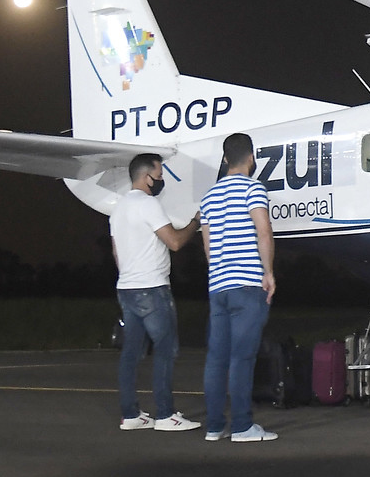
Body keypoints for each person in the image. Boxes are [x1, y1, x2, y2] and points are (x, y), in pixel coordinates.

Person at [197, 133, 279, 443]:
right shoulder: (253, 189)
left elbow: (208, 246)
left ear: (225, 159)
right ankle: (242, 426)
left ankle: (214, 426)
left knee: (217, 359)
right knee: (242, 358)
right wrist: (268, 272)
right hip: (247, 284)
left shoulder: (208, 197)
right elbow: (263, 231)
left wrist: (219, 271)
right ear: (251, 158)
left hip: (218, 286)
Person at [112, 153, 200, 432]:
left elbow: (116, 252)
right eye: (159, 175)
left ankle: (131, 415)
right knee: (165, 350)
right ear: (146, 176)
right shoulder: (148, 204)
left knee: (131, 353)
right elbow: (174, 242)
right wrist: (195, 222)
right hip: (152, 287)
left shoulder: (118, 208)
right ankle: (165, 415)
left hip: (127, 287)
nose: (161, 180)